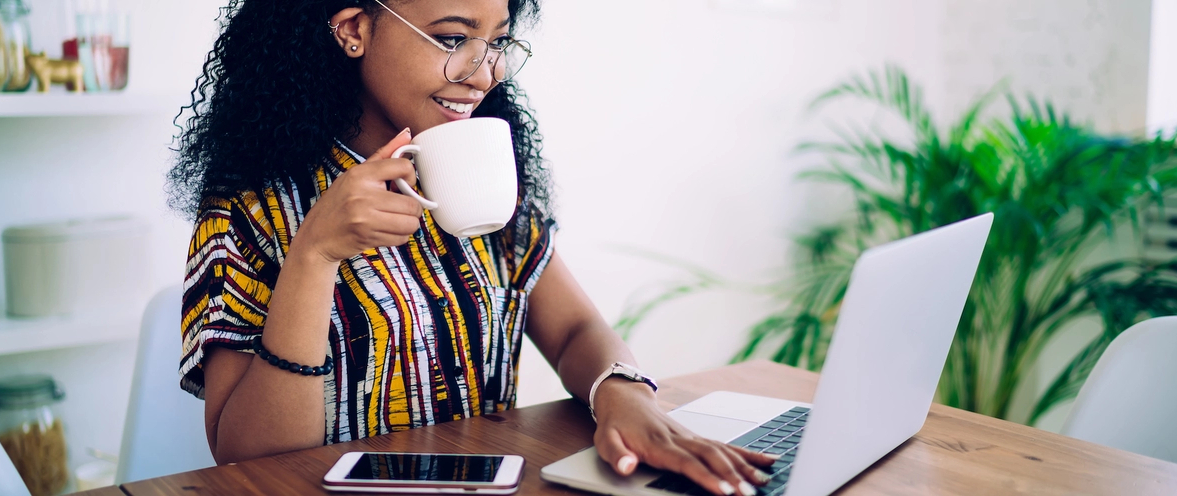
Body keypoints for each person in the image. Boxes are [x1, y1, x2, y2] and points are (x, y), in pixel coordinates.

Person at [168, 1, 775, 494]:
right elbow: (251, 457)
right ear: (354, 30)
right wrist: (316, 255)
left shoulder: (476, 167)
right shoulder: (250, 208)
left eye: (497, 42)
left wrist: (622, 395)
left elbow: (572, 330)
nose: (485, 73)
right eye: (454, 37)